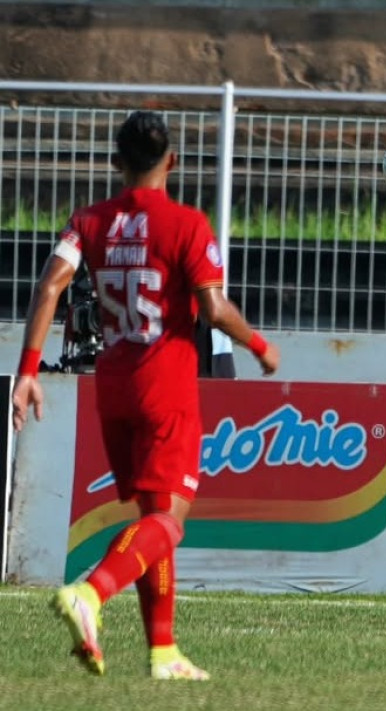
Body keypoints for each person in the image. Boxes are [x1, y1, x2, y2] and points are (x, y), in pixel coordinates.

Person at [10, 111, 281, 680]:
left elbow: (51, 285)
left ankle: (163, 652)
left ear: (117, 163)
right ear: (172, 162)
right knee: (170, 522)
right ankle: (91, 593)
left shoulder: (88, 220)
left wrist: (28, 369)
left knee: (153, 518)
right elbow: (212, 307)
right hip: (166, 389)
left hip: (112, 388)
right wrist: (257, 342)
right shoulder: (186, 224)